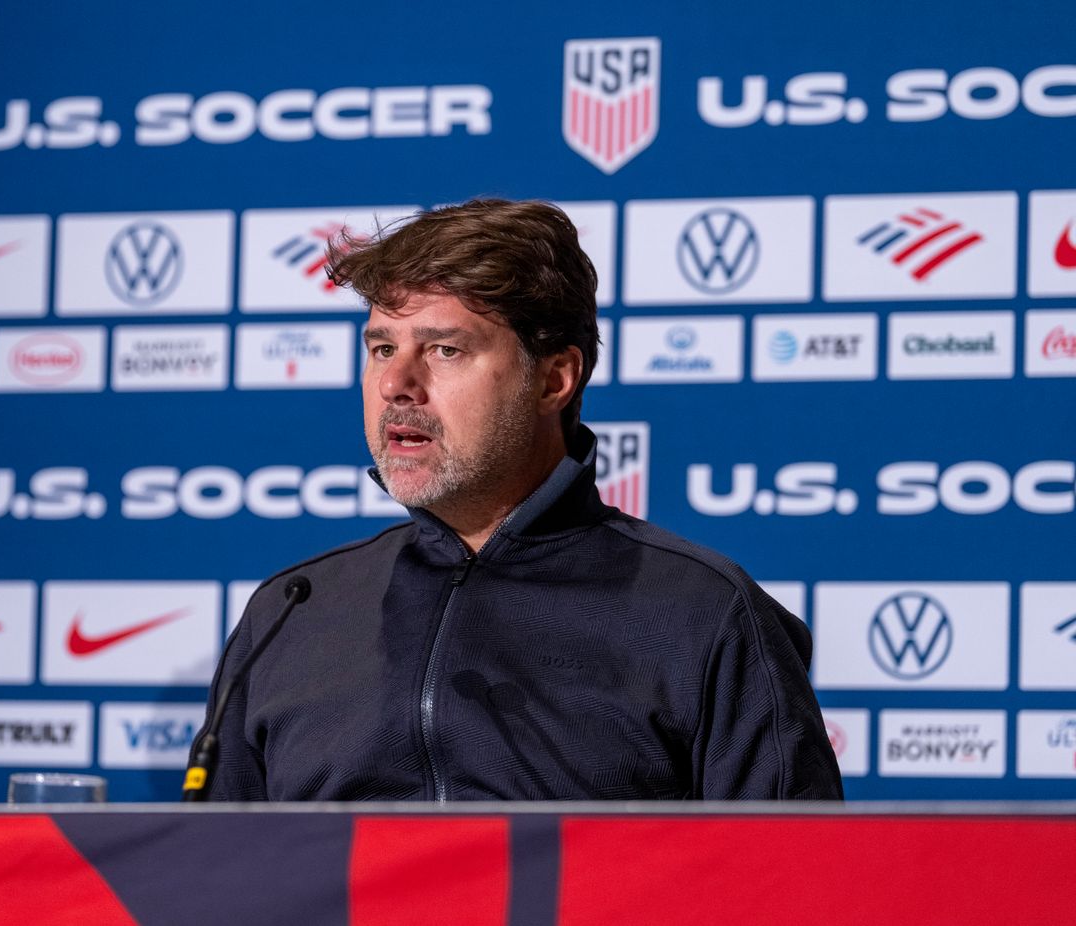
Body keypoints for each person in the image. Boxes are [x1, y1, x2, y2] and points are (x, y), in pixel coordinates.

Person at [194, 198, 843, 801]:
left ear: (555, 379)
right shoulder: (292, 612)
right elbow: (212, 885)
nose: (396, 383)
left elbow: (795, 890)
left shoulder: (705, 616)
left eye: (445, 349)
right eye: (383, 348)